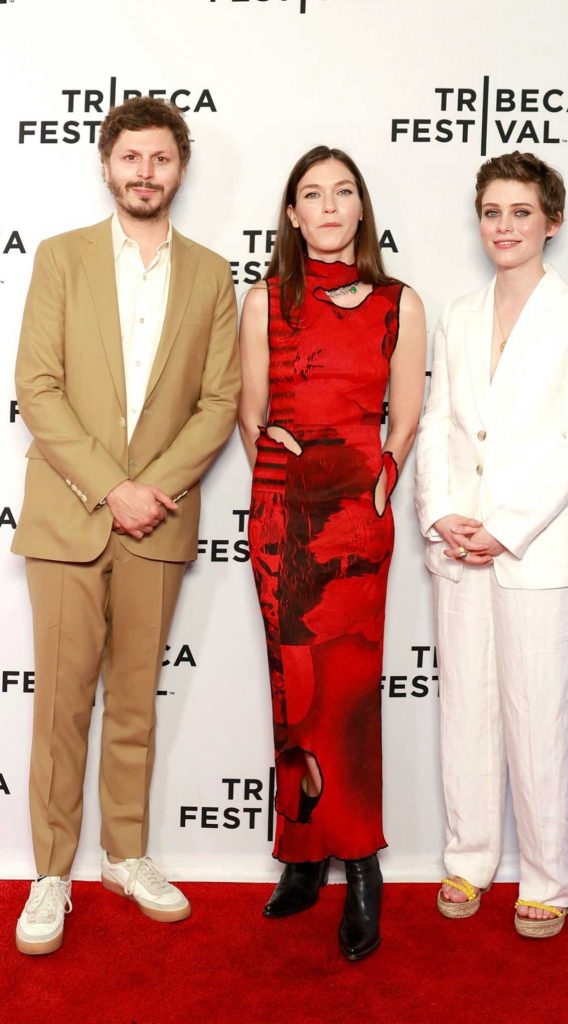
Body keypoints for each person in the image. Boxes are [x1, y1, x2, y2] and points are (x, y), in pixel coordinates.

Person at [13, 96, 240, 955]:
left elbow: (220, 402)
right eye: (130, 157)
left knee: (136, 701)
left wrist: (151, 490)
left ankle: (128, 853)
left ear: (180, 168)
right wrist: (114, 488)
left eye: (160, 159)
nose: (145, 172)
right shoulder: (61, 258)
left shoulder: (213, 274)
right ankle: (49, 874)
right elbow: (38, 386)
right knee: (62, 707)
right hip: (70, 515)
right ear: (107, 164)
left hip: (160, 521)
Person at [415, 151, 568, 938]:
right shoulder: (458, 313)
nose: (504, 225)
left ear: (551, 222)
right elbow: (436, 424)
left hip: (534, 549)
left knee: (538, 717)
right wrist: (441, 514)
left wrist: (505, 525)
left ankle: (548, 876)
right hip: (460, 548)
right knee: (464, 710)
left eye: (520, 212)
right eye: (492, 211)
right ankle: (466, 860)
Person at [239, 145, 426, 961]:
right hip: (283, 515)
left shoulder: (398, 302)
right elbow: (251, 416)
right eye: (310, 194)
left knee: (345, 699)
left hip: (356, 519)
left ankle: (359, 866)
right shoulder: (263, 302)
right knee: (291, 688)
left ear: (360, 208)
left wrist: (375, 490)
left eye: (341, 192)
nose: (326, 206)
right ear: (291, 214)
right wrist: (284, 496)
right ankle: (302, 854)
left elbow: (406, 418)